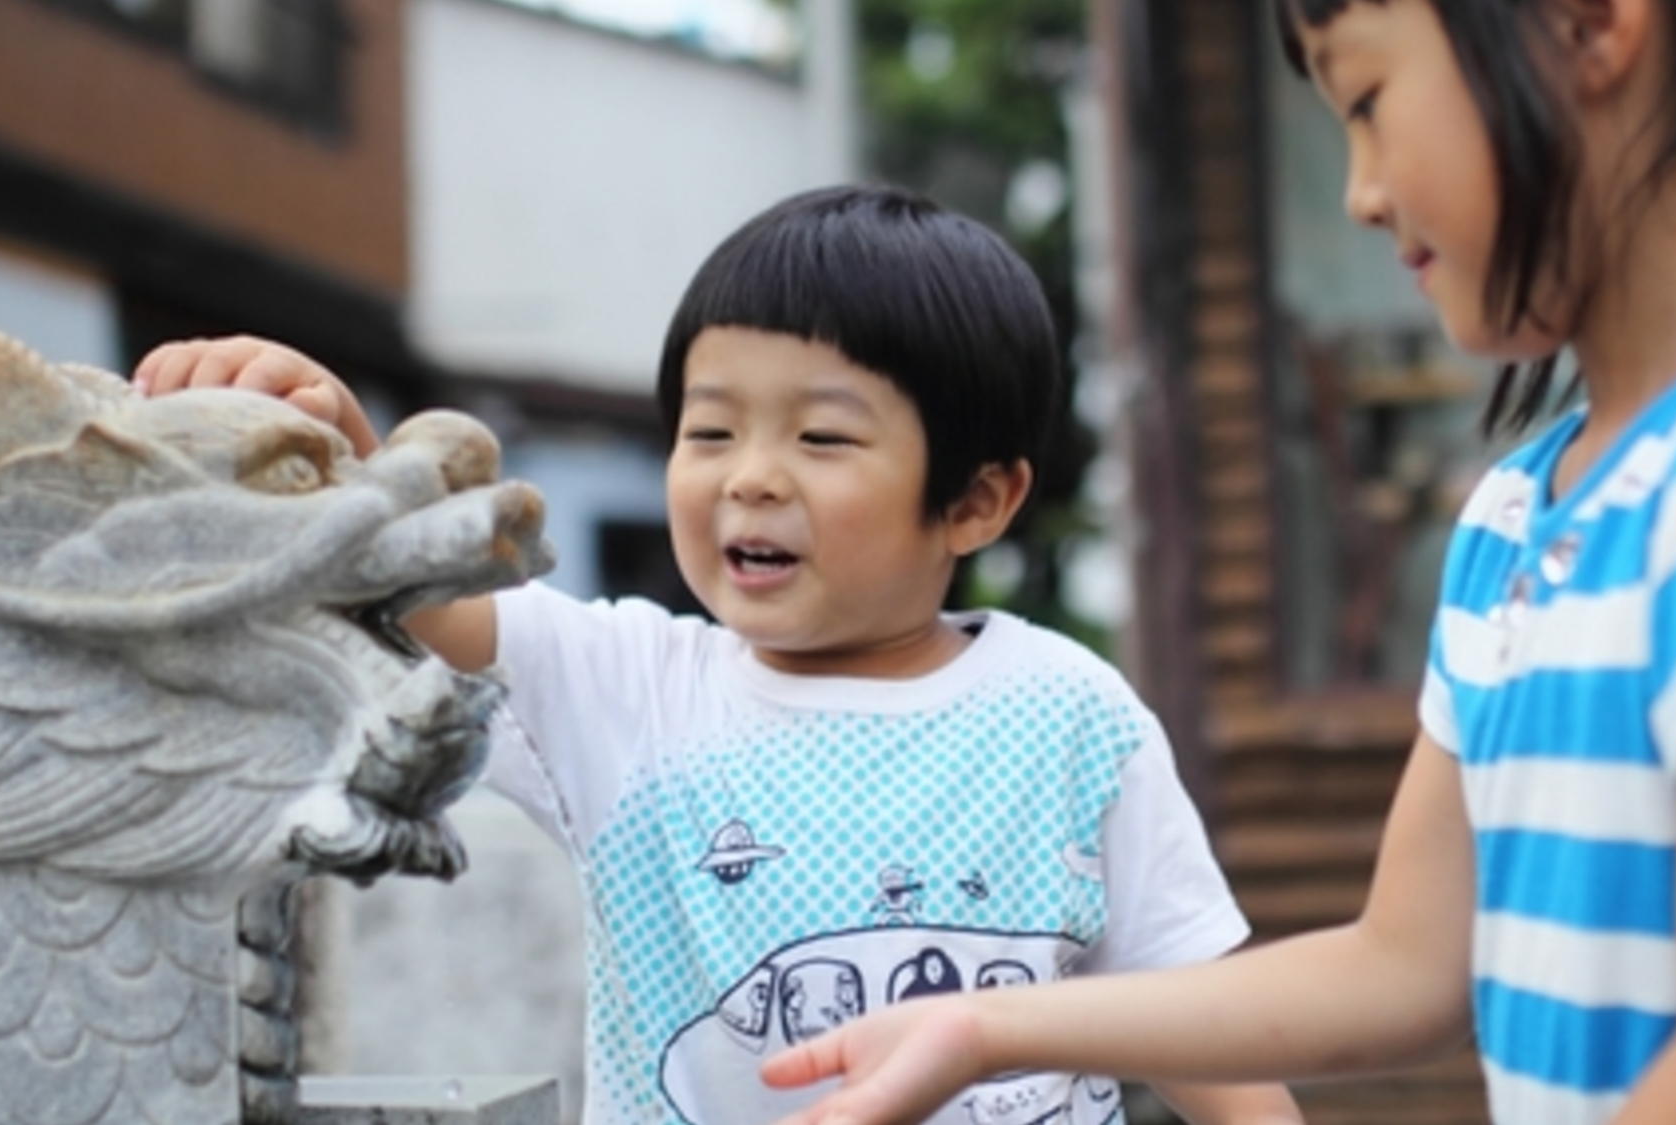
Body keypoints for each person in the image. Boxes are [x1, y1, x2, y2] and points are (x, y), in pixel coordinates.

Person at [756, 2, 1676, 1123]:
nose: (1359, 191)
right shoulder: (1516, 515)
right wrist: (988, 1025)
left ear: (1587, 23)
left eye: (1368, 104)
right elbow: (1400, 963)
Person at [134, 185, 1305, 1125]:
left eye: (821, 434)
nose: (748, 473)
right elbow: (413, 573)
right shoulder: (626, 691)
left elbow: (1195, 1020)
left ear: (977, 500)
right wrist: (333, 436)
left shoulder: (1069, 717)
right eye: (709, 430)